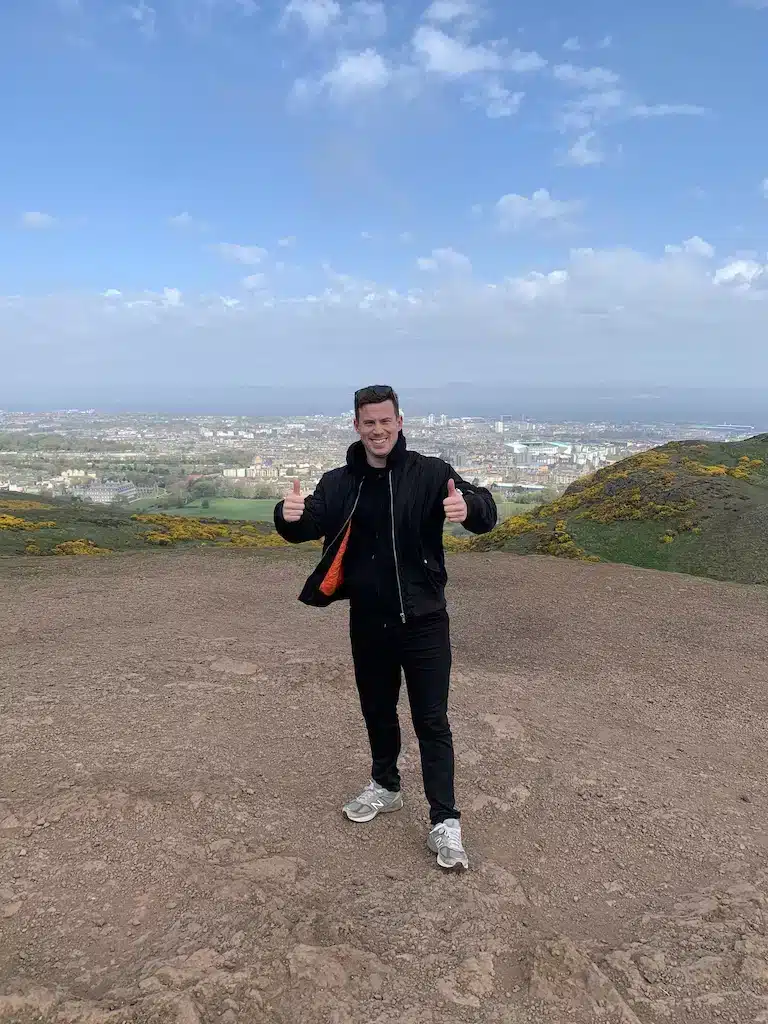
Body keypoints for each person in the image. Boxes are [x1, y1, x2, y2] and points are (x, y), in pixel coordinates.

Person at [274, 385, 497, 871]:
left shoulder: (431, 473)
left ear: (400, 422)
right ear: (356, 426)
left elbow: (484, 508)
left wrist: (469, 510)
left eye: (385, 421)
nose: (377, 430)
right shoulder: (339, 482)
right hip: (368, 621)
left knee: (431, 719)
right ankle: (386, 787)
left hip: (424, 621)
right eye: (368, 422)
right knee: (377, 710)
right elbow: (306, 522)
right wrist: (285, 517)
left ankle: (445, 821)